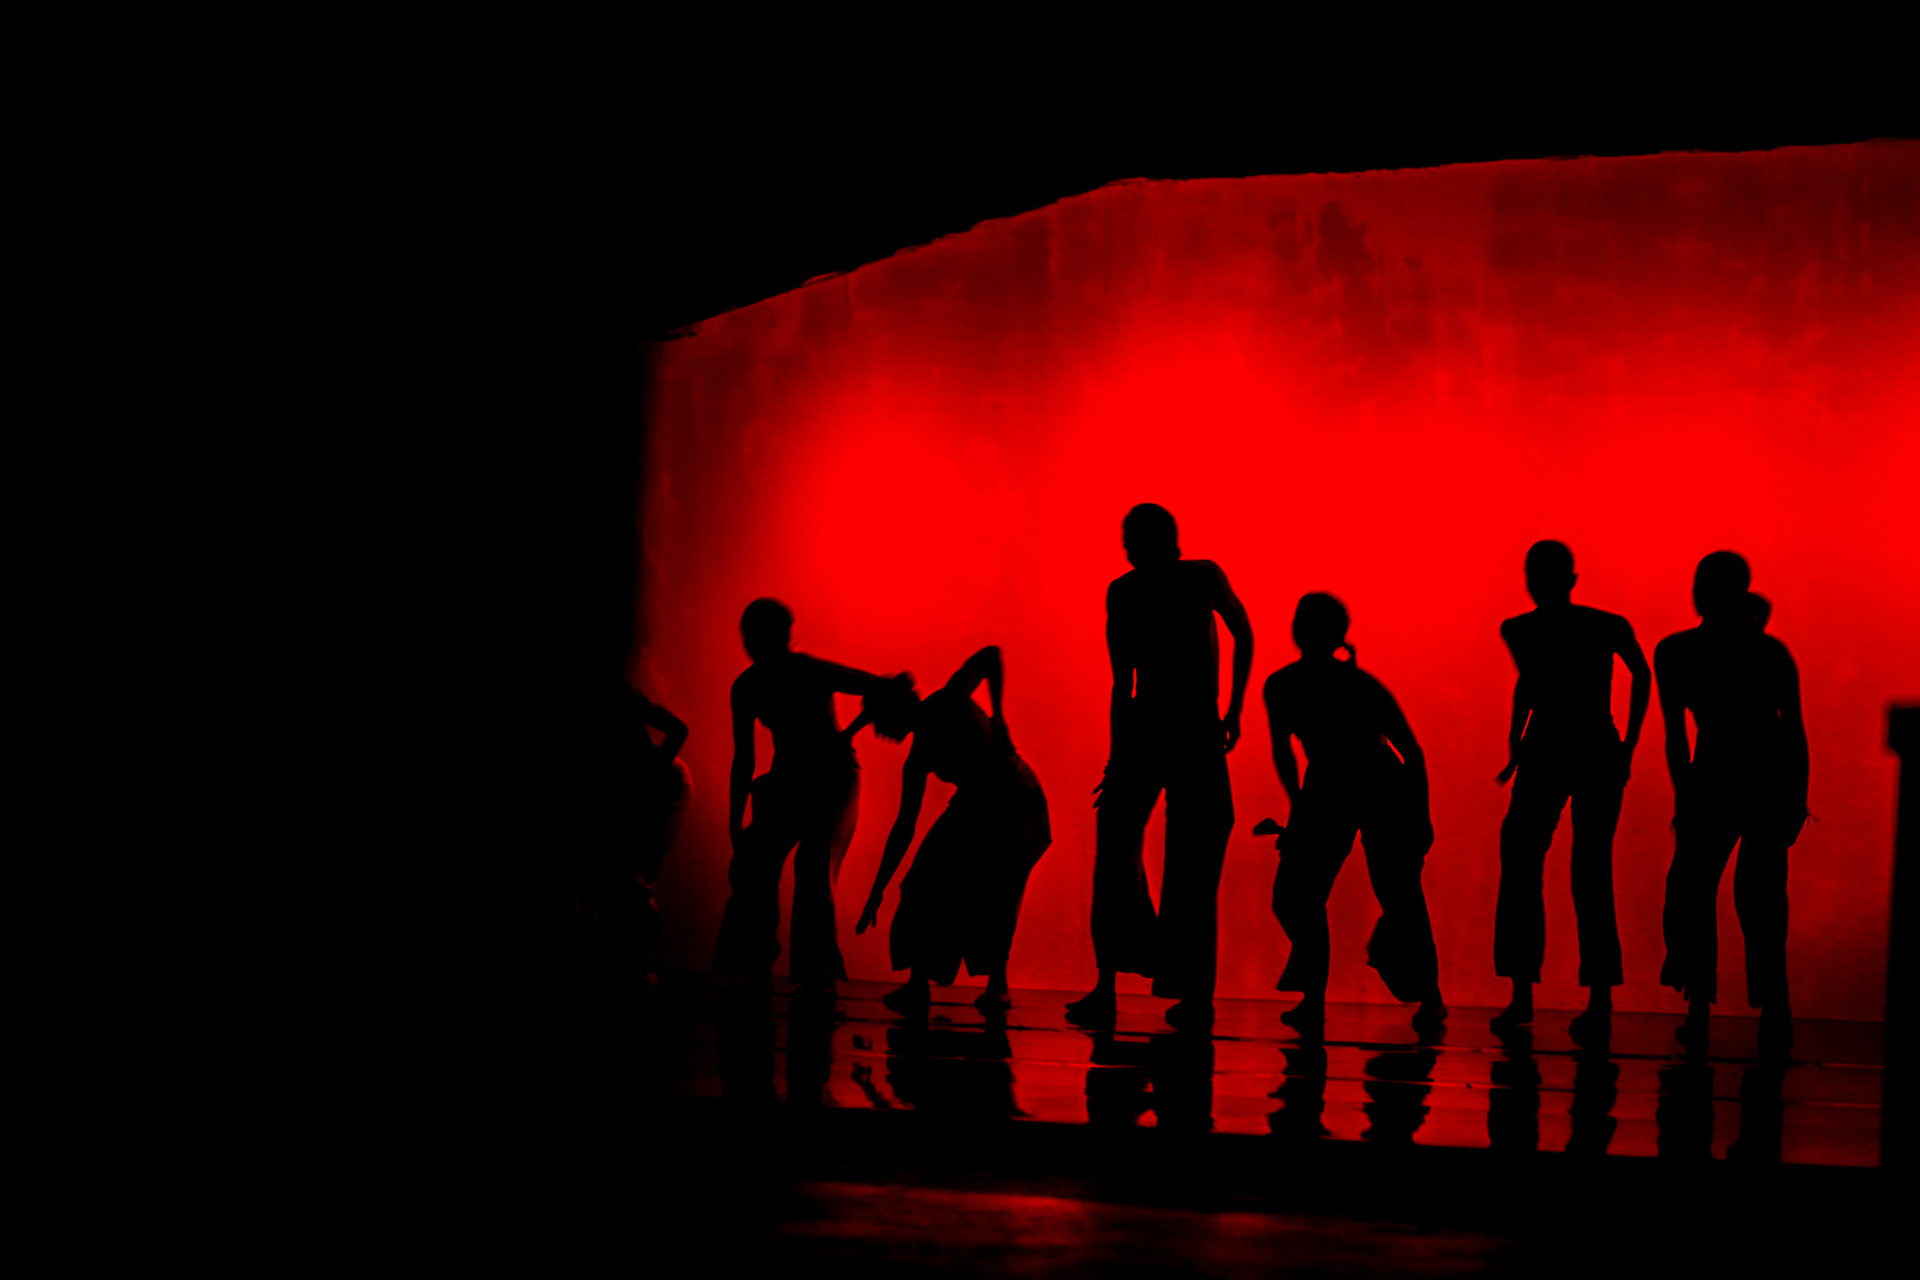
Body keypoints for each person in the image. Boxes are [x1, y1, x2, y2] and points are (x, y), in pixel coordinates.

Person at [1067, 503, 1253, 1032]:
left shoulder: (1132, 589)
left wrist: (1118, 754)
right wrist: (1233, 709)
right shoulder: (1196, 577)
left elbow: (1122, 682)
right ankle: (1182, 989)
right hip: (1190, 728)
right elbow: (1242, 634)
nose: (1128, 548)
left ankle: (1123, 982)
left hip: (1158, 728)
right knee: (1186, 862)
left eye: (1131, 539)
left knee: (1127, 852)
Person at [1263, 592, 1446, 1038]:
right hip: (1365, 785)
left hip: (1352, 786)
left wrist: (1299, 806)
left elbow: (1285, 752)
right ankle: (1426, 997)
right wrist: (1420, 814)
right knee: (1388, 894)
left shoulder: (1286, 684)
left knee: (1306, 895)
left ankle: (1320, 999)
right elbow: (1411, 751)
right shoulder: (1353, 684)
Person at [1491, 540, 1651, 1044]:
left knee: (1523, 862)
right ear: (1573, 580)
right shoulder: (1607, 625)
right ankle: (1597, 1001)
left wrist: (1516, 742)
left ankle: (1523, 995)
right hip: (1595, 745)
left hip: (1547, 747)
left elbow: (1531, 683)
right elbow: (1641, 673)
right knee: (1589, 869)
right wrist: (1627, 744)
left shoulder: (1518, 629)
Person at [1655, 551, 1808, 1056]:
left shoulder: (1676, 652)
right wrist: (1797, 796)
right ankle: (1774, 1008)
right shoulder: (1771, 653)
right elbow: (1793, 731)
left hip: (1714, 773)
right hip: (1764, 775)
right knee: (1760, 899)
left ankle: (1701, 1007)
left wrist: (1685, 794)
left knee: (1694, 892)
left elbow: (1676, 735)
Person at [852, 647, 1053, 1015]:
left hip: (1014, 798)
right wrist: (877, 889)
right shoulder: (917, 758)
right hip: (980, 803)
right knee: (924, 880)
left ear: (894, 711)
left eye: (880, 723)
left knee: (995, 890)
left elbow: (991, 654)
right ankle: (920, 983)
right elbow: (904, 826)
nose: (881, 734)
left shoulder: (949, 699)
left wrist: (999, 715)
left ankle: (995, 986)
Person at [711, 598, 889, 994]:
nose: (753, 644)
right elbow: (744, 758)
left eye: (759, 636)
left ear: (781, 636)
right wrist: (735, 823)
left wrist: (875, 711)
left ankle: (817, 970)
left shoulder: (807, 670)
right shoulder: (747, 687)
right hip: (789, 779)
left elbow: (874, 685)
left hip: (833, 780)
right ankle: (753, 960)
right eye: (750, 636)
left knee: (814, 863)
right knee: (755, 862)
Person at [577, 684, 690, 981]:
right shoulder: (614, 697)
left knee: (635, 877)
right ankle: (635, 965)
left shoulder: (619, 696)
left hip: (657, 788)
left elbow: (679, 730)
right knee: (624, 878)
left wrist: (652, 773)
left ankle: (641, 965)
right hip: (637, 790)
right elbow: (677, 730)